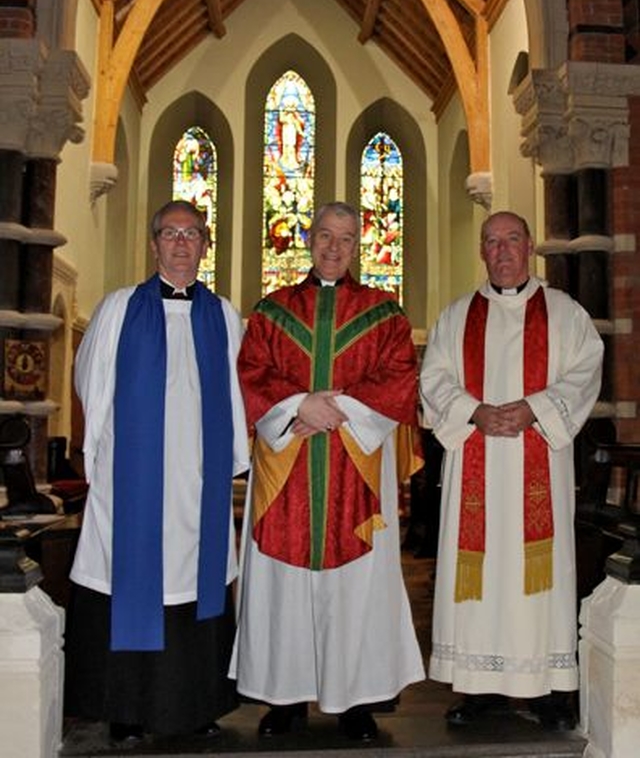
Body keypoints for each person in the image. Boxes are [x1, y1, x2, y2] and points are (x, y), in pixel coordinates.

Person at [230, 201, 425, 741]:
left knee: (356, 585)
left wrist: (330, 410)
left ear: (359, 245)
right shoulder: (272, 311)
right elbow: (251, 372)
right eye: (324, 236)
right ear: (307, 239)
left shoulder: (385, 313)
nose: (333, 248)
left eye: (345, 238)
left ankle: (355, 699)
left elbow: (399, 378)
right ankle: (284, 697)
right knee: (283, 583)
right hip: (288, 468)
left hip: (354, 469)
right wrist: (297, 407)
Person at [64, 200, 250, 744]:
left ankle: (197, 707)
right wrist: (100, 456)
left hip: (198, 484)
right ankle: (125, 711)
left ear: (204, 245)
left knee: (198, 584)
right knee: (128, 578)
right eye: (170, 233)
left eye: (192, 234)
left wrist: (230, 462)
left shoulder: (224, 314)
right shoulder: (120, 308)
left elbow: (238, 399)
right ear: (154, 244)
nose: (181, 243)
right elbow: (91, 384)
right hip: (134, 485)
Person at [419, 211, 603, 731]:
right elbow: (433, 379)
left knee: (536, 574)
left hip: (537, 456)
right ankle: (479, 687)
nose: (501, 251)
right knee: (479, 574)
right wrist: (474, 412)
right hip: (476, 462)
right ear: (482, 251)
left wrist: (535, 409)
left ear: (528, 249)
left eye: (512, 240)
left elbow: (586, 370)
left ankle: (546, 688)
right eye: (492, 242)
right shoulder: (456, 317)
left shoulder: (565, 315)